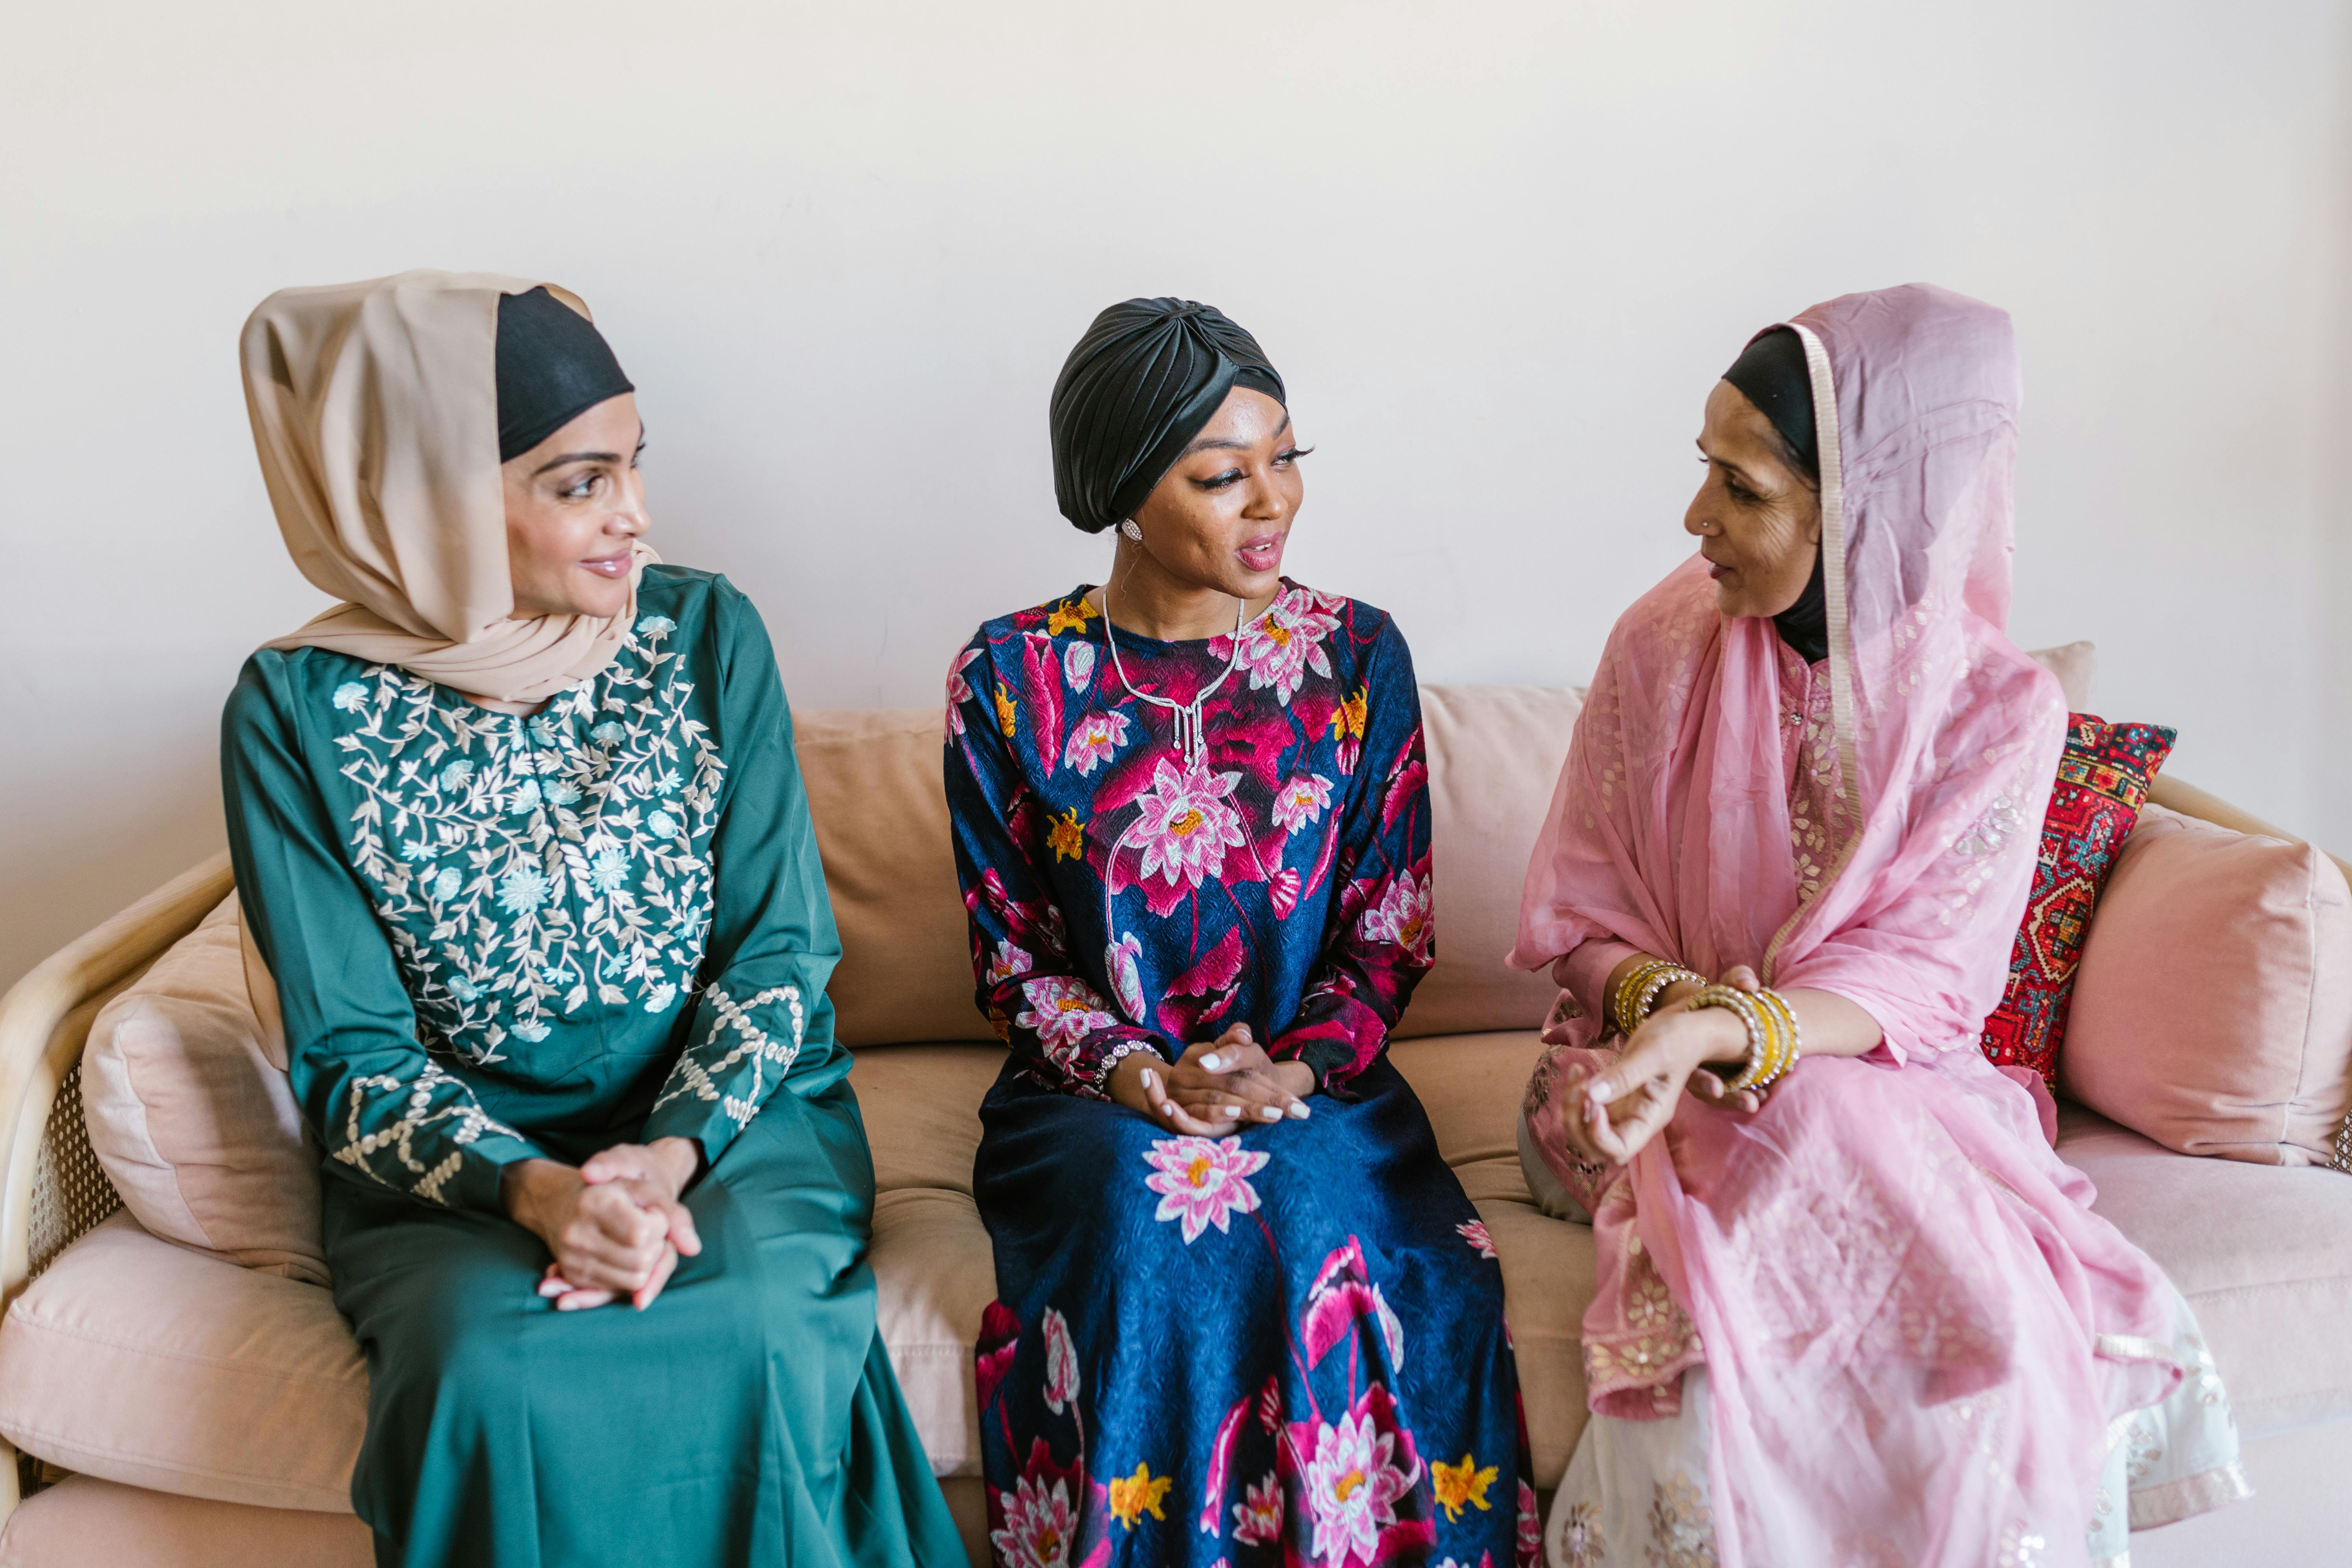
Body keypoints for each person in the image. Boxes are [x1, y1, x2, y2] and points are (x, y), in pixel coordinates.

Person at [222, 271, 965, 1568]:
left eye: (633, 469)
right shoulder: (295, 713)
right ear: (433, 502)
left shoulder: (705, 633)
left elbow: (780, 954)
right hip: (460, 1177)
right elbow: (349, 1054)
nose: (637, 520)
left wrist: (664, 1161)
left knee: (762, 1332)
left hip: (737, 1129)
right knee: (488, 1381)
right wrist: (539, 1193)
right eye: (580, 483)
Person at [1511, 284, 2245, 1568]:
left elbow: (1922, 987)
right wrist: (1667, 1027)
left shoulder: (1996, 712)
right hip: (1619, 1088)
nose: (1697, 520)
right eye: (1707, 472)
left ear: (1862, 501)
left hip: (1882, 1085)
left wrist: (1727, 1035)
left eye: (1742, 489)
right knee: (1821, 1126)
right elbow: (1582, 918)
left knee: (1828, 1112)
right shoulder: (1658, 646)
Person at [945, 298, 1535, 1568]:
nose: (1272, 502)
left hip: (1315, 1086)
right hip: (1091, 1097)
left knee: (1304, 1205)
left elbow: (1387, 931)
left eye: (1286, 460)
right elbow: (1014, 956)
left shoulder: (1356, 656)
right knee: (1156, 1215)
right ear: (1123, 493)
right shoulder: (1007, 677)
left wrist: (1295, 1068)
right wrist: (1137, 1074)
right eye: (1223, 475)